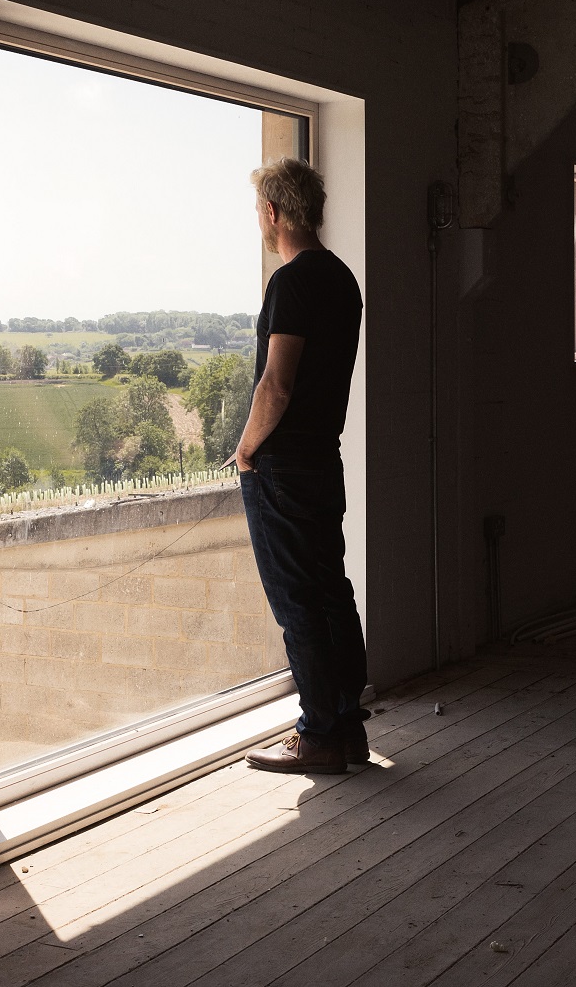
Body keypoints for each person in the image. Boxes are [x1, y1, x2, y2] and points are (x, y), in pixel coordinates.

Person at [228, 157, 368, 774]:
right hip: (323, 460)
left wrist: (248, 448)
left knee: (297, 603)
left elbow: (275, 386)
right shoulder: (343, 280)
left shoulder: (291, 282)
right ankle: (347, 729)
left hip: (282, 466)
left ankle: (317, 738)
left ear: (273, 212)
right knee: (332, 592)